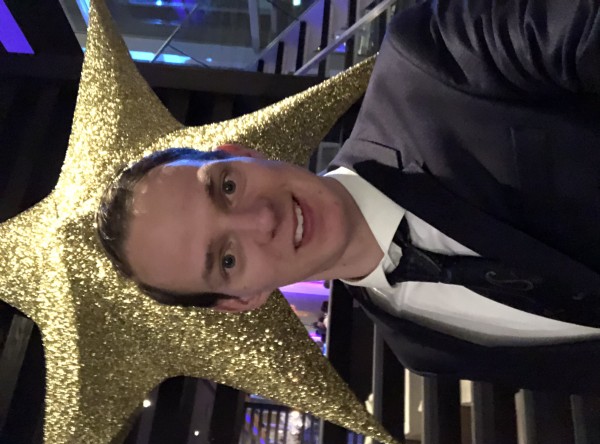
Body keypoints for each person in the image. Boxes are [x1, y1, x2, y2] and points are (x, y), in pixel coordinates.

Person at [97, 0, 600, 393]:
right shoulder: (420, 350)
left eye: (227, 187)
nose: (262, 221)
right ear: (243, 299)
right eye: (227, 259)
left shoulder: (430, 62)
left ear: (243, 153)